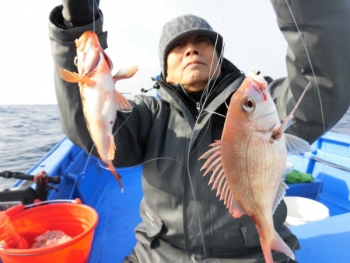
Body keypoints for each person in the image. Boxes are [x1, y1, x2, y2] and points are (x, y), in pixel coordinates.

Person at [48, 0, 350, 262]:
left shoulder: (257, 103)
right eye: (178, 46)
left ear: (219, 58)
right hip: (156, 256)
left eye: (202, 41)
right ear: (165, 70)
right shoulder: (147, 114)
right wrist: (76, 28)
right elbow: (90, 123)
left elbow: (322, 81)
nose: (191, 49)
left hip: (252, 256)